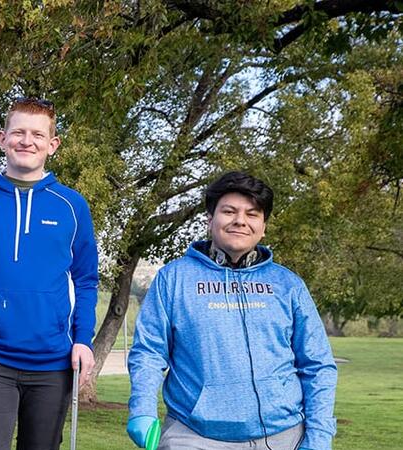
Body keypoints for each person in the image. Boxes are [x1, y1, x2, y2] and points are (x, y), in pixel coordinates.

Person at [127, 172, 337, 450]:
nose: (240, 220)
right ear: (210, 220)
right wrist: (142, 408)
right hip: (193, 435)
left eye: (252, 214)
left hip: (284, 435)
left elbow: (318, 365)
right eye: (229, 211)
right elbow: (149, 352)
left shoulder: (289, 285)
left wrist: (319, 436)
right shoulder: (173, 279)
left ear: (263, 227)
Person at [0, 97, 99, 450]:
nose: (27, 141)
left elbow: (85, 279)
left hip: (54, 362)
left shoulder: (72, 205)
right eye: (18, 132)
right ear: (2, 138)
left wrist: (83, 338)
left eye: (38, 134)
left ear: (52, 145)